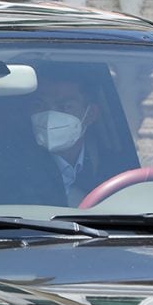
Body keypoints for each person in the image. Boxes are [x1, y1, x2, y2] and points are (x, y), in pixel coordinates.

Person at [28, 67, 105, 206]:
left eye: (65, 106)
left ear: (90, 114)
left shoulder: (112, 166)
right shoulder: (12, 169)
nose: (49, 116)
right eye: (40, 105)